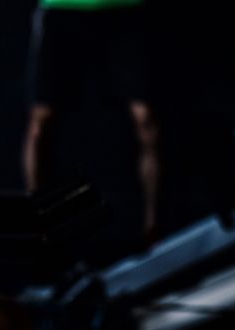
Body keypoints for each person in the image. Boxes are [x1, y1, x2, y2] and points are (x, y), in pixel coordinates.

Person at [22, 0, 160, 245]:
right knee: (40, 123)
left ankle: (153, 232)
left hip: (124, 11)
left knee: (146, 119)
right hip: (62, 10)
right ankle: (37, 234)